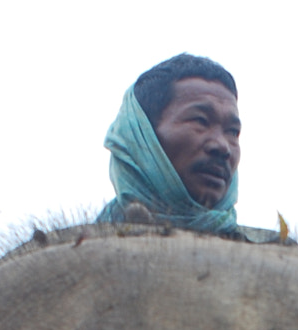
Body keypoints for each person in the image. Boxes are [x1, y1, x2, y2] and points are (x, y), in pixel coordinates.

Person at [99, 54, 279, 241]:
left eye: (233, 132)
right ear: (142, 135)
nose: (222, 146)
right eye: (200, 121)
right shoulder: (75, 250)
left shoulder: (282, 256)